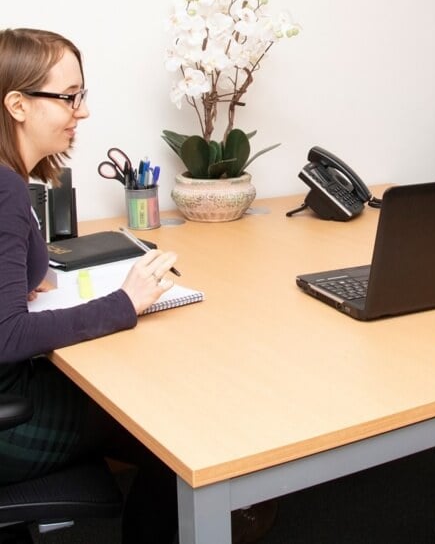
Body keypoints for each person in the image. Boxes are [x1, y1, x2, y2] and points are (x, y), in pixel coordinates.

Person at [0, 28, 275, 543]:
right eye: (68, 98)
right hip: (10, 423)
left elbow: (32, 273)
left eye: (82, 96)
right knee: (171, 430)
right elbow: (7, 336)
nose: (80, 112)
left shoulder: (12, 181)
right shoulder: (6, 190)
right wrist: (122, 303)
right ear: (17, 104)